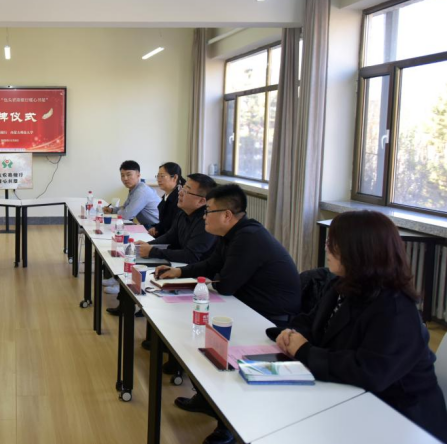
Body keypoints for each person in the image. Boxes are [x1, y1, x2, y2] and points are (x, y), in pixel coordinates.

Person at [276, 211, 447, 442]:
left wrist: (304, 351)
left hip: (400, 418)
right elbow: (312, 322)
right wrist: (291, 334)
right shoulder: (342, 284)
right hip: (351, 396)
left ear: (359, 251)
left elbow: (369, 371)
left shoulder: (395, 309)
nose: (326, 248)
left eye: (333, 243)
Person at [163, 184, 301, 444]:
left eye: (209, 211)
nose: (205, 216)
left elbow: (226, 284)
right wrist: (180, 272)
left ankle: (227, 426)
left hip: (270, 318)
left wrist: (207, 279)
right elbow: (212, 265)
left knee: (215, 342)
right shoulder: (231, 234)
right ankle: (206, 400)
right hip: (248, 305)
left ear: (227, 215)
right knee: (196, 331)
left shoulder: (248, 238)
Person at [106, 173, 217, 305]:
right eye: (182, 188)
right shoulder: (183, 213)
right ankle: (125, 307)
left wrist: (152, 251)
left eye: (187, 191)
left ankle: (134, 308)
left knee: (145, 270)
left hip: (200, 279)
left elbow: (191, 255)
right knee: (135, 259)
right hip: (182, 266)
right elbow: (170, 236)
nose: (180, 192)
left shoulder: (206, 221)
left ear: (202, 201)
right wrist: (148, 245)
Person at [103, 160, 160, 228]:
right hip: (148, 225)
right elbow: (126, 207)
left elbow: (126, 215)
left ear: (138, 175)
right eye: (122, 175)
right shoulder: (134, 189)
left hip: (157, 228)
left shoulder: (141, 191)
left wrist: (123, 211)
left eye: (128, 175)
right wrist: (112, 210)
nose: (125, 178)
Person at [147, 162, 185, 237]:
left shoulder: (179, 199)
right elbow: (164, 222)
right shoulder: (166, 196)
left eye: (162, 176)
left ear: (174, 177)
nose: (159, 179)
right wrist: (156, 228)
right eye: (158, 176)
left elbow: (173, 228)